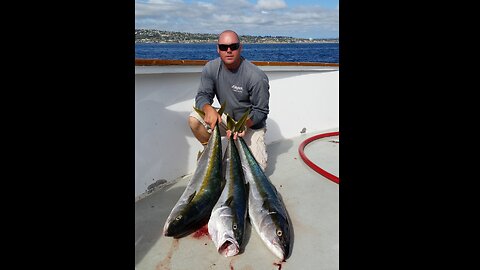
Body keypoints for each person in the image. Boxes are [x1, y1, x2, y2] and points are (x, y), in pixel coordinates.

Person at [188, 30, 270, 171]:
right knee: (194, 119)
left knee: (257, 171)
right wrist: (208, 108)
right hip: (227, 119)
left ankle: (240, 148)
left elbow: (261, 111)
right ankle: (213, 154)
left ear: (240, 47)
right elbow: (202, 95)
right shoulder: (211, 68)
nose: (229, 50)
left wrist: (244, 124)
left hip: (249, 125)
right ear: (217, 49)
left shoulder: (256, 76)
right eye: (224, 47)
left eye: (233, 46)